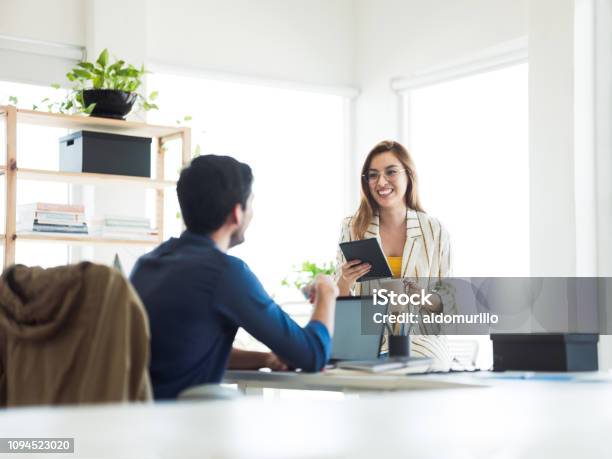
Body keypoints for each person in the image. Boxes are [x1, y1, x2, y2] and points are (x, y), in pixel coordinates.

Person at [130, 155, 338, 399]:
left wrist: (265, 359)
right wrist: (326, 290)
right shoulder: (225, 273)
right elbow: (311, 354)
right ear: (236, 213)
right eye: (251, 202)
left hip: (134, 423)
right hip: (179, 428)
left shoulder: (148, 264)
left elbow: (183, 352)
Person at [335, 140, 456, 366]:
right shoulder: (352, 227)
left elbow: (449, 303)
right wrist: (344, 280)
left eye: (391, 172)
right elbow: (340, 300)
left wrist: (421, 296)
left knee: (417, 373)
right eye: (372, 175)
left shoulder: (434, 230)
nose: (381, 182)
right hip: (368, 341)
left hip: (422, 342)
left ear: (408, 176)